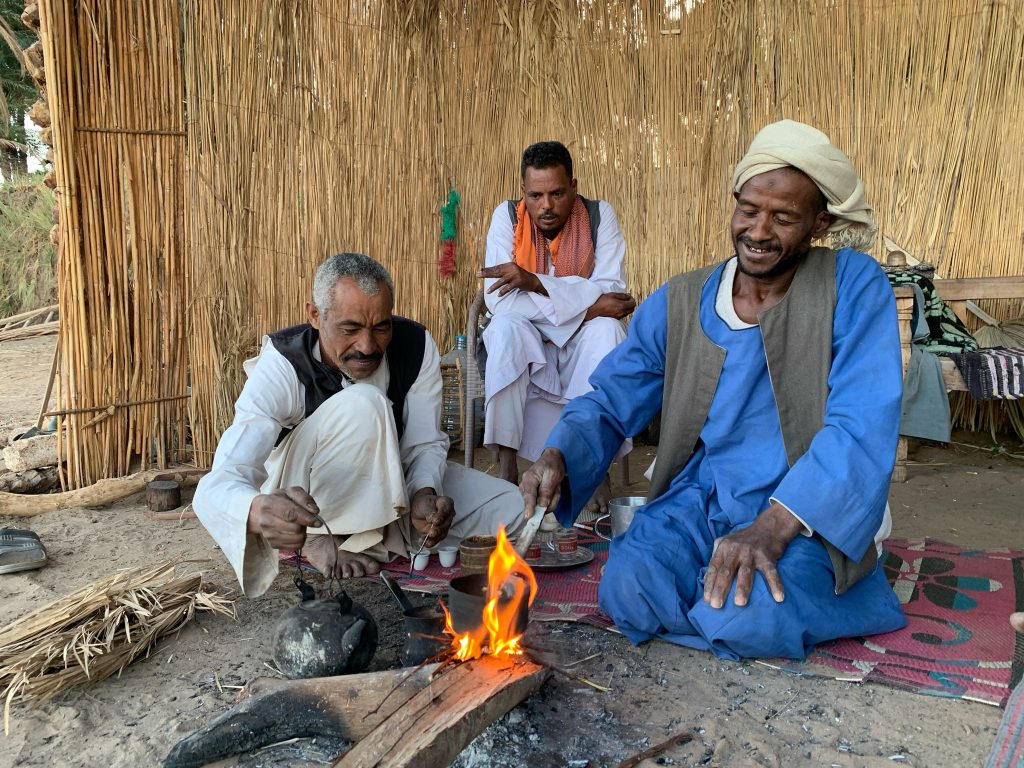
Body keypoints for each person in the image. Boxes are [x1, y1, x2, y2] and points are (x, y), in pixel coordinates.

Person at [520, 120, 908, 660]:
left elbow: (862, 422)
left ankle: (773, 598)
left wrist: (772, 528)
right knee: (627, 588)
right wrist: (559, 452)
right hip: (705, 495)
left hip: (803, 508)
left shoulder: (852, 285)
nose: (759, 231)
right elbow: (612, 398)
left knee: (749, 614)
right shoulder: (683, 299)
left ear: (820, 223)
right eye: (749, 210)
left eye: (784, 217)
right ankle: (714, 609)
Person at [194, 253, 523, 597]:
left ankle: (388, 535)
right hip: (307, 498)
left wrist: (424, 492)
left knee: (511, 508)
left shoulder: (415, 346)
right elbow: (219, 482)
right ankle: (320, 539)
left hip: (391, 484)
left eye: (381, 327)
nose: (367, 346)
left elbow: (425, 444)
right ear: (315, 316)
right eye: (350, 329)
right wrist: (256, 509)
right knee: (366, 403)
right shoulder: (283, 364)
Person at [477, 140, 635, 504]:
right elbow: (500, 300)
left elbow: (611, 289)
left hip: (580, 339)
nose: (545, 206)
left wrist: (533, 282)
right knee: (504, 330)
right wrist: (585, 306)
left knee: (609, 330)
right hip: (528, 337)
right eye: (535, 195)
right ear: (523, 191)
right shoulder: (507, 217)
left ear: (574, 187)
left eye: (556, 193)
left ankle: (595, 469)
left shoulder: (599, 216)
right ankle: (507, 468)